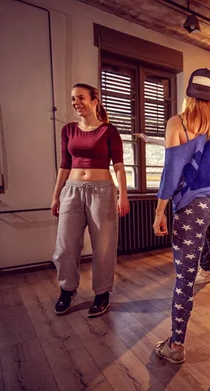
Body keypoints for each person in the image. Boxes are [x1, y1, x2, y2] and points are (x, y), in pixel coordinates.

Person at [153, 68, 210, 364]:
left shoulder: (177, 123)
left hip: (191, 209)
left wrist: (160, 211)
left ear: (189, 94)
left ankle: (176, 347)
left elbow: (171, 171)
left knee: (186, 278)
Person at [51, 83, 130, 318]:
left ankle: (102, 293)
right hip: (72, 191)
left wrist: (123, 195)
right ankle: (68, 289)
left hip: (102, 192)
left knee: (103, 247)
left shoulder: (109, 131)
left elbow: (119, 166)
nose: (76, 102)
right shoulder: (68, 130)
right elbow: (65, 165)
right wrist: (56, 195)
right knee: (65, 247)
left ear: (95, 101)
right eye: (74, 98)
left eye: (81, 98)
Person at [134, 133, 210, 284]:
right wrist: (147, 138)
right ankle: (198, 267)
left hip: (203, 194)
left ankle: (205, 268)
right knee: (191, 235)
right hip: (185, 196)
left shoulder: (206, 144)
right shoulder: (180, 145)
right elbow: (166, 143)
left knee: (204, 233)